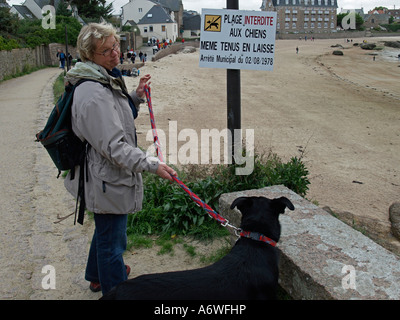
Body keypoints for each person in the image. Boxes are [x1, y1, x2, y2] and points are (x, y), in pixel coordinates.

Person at [64, 22, 177, 295]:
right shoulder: (92, 93)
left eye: (116, 45)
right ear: (89, 55)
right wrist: (152, 165)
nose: (116, 53)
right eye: (106, 50)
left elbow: (117, 116)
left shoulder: (102, 77)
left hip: (105, 175)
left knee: (107, 230)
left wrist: (136, 97)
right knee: (113, 243)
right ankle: (114, 290)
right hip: (105, 177)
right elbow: (114, 145)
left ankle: (95, 275)